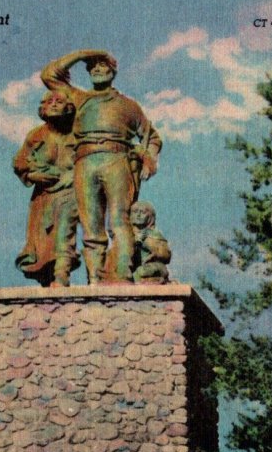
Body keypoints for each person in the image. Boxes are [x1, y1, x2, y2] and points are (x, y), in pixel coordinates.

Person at [41, 49, 162, 283]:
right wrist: (88, 52)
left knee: (119, 220)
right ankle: (95, 281)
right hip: (85, 160)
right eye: (92, 66)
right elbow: (49, 75)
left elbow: (153, 137)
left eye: (102, 65)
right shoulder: (80, 98)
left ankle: (122, 274)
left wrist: (149, 157)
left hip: (116, 159)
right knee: (91, 226)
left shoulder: (129, 106)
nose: (96, 69)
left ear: (112, 71)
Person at [13, 91, 79, 287]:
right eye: (49, 102)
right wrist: (33, 175)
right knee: (41, 246)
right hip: (43, 197)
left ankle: (62, 275)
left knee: (64, 232)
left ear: (69, 108)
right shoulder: (36, 135)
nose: (53, 105)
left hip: (70, 190)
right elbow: (20, 162)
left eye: (59, 101)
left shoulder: (77, 133)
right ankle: (48, 284)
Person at [130, 201, 171, 284]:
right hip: (132, 267)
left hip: (150, 265)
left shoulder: (154, 233)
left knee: (143, 271)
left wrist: (146, 242)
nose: (138, 215)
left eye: (143, 212)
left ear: (150, 217)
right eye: (135, 212)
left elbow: (166, 255)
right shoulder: (127, 233)